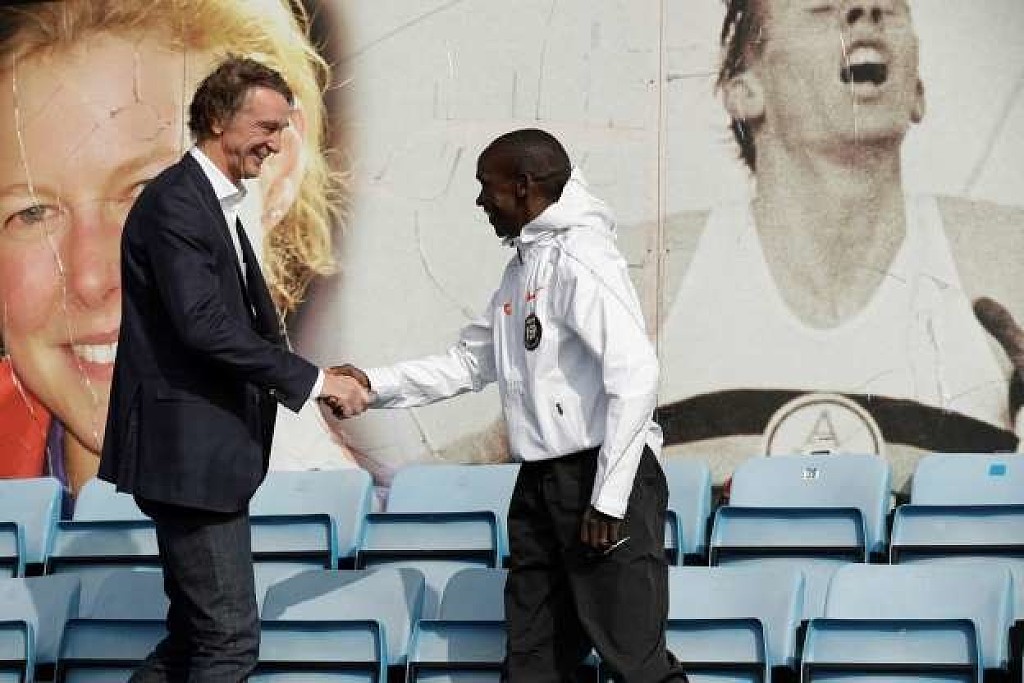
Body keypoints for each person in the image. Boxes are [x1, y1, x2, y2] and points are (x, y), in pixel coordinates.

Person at [336, 129, 686, 682]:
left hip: (600, 478)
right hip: (540, 484)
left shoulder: (580, 258)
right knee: (532, 661)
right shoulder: (523, 266)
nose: (480, 200)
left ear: (523, 186)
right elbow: (469, 363)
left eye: (487, 186)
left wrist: (609, 499)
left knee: (635, 662)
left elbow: (637, 374)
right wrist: (372, 385)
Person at [0, 0, 359, 511]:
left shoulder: (399, 550)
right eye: (31, 212)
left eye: (148, 190)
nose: (89, 278)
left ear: (277, 163)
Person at [654, 0, 1024, 489]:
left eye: (889, 7)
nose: (865, 10)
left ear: (917, 92)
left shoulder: (1007, 259)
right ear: (744, 92)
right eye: (821, 7)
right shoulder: (647, 272)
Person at [98, 56, 370, 681]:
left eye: (282, 130)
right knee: (227, 644)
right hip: (189, 459)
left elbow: (237, 326)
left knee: (193, 641)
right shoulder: (177, 202)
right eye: (266, 127)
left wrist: (315, 374)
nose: (275, 144)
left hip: (202, 457)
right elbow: (204, 327)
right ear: (219, 119)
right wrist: (315, 382)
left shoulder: (211, 200)